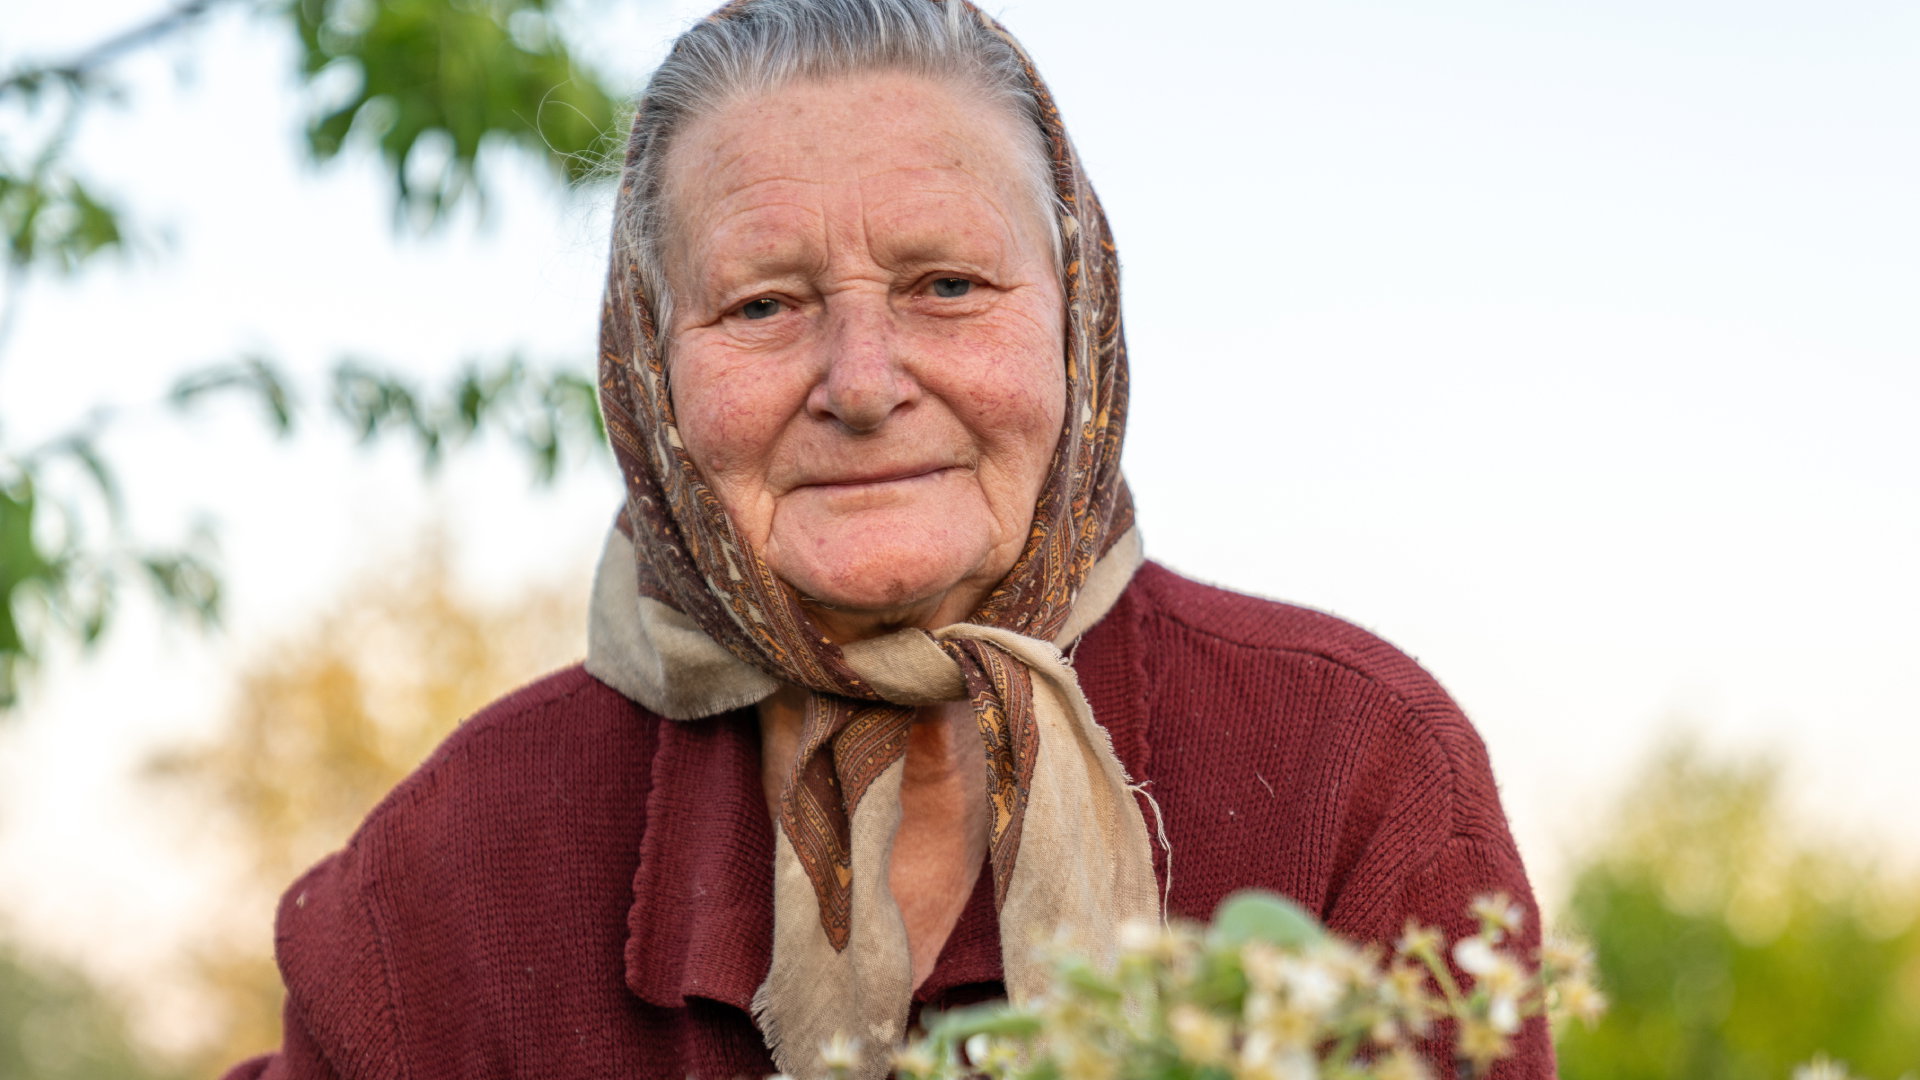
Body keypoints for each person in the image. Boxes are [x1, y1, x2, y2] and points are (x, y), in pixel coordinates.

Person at [226, 1, 1551, 1077]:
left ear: (1076, 316)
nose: (861, 382)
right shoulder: (467, 863)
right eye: (761, 305)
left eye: (948, 286)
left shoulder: (1349, 765)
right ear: (650, 370)